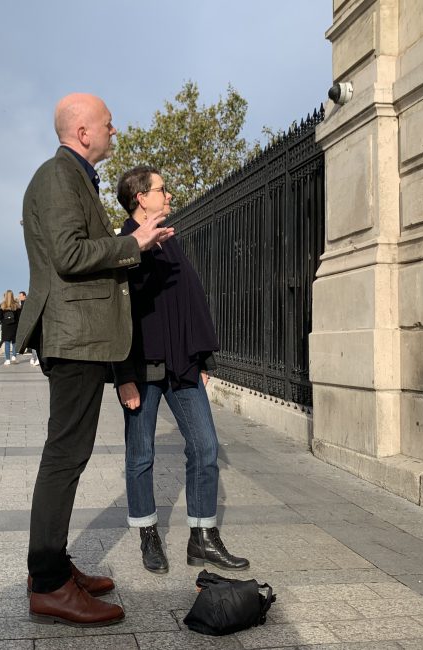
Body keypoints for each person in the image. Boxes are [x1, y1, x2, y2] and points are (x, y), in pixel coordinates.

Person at [16, 92, 174, 627]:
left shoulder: (70, 176)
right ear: (82, 131)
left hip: (77, 335)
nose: (114, 129)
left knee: (68, 454)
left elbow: (76, 248)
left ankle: (52, 568)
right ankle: (50, 583)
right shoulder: (59, 175)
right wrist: (134, 243)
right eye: (107, 123)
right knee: (65, 457)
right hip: (73, 336)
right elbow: (69, 254)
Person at [114, 166, 249, 575]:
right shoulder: (122, 243)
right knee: (141, 455)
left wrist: (202, 357)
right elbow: (114, 312)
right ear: (141, 198)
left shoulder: (171, 239)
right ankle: (148, 534)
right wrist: (123, 376)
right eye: (162, 190)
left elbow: (188, 300)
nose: (169, 196)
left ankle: (202, 538)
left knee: (206, 447)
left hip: (182, 365)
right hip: (142, 367)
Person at [0, 290, 20, 365]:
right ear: (13, 296)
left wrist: (5, 322)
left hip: (6, 326)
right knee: (14, 342)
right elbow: (18, 317)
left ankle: (7, 359)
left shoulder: (2, 305)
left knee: (7, 343)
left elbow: (0, 317)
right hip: (14, 326)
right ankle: (14, 356)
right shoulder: (16, 305)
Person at [18, 291, 39, 366]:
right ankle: (34, 358)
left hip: (29, 324)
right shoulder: (23, 304)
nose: (19, 297)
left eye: (20, 296)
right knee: (31, 343)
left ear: (24, 296)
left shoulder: (25, 304)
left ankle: (36, 358)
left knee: (32, 342)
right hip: (29, 324)